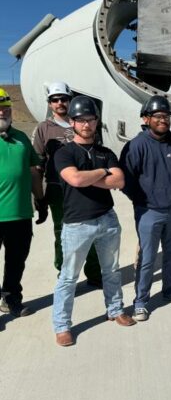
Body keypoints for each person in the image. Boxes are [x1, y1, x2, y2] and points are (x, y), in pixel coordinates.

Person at [52, 96, 135, 347]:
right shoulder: (64, 152)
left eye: (90, 119)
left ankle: (115, 309)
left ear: (97, 121)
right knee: (68, 277)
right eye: (80, 120)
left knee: (111, 270)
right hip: (77, 224)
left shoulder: (106, 152)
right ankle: (62, 326)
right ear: (72, 122)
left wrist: (91, 176)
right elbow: (75, 179)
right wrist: (101, 172)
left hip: (107, 219)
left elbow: (119, 181)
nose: (86, 124)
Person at [120, 95, 171, 322]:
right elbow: (126, 178)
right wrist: (142, 201)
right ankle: (141, 301)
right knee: (148, 258)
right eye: (158, 116)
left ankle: (170, 290)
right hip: (148, 211)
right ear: (146, 118)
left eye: (166, 116)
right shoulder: (137, 145)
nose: (164, 120)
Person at [32, 81, 102, 287]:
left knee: (91, 232)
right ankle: (64, 274)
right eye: (55, 100)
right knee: (62, 235)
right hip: (58, 191)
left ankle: (94, 274)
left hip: (86, 189)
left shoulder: (84, 125)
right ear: (50, 103)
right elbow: (37, 164)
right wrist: (40, 197)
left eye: (64, 98)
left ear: (70, 100)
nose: (60, 103)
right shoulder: (44, 128)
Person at [0, 88, 48, 317]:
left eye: (5, 108)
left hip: (20, 214)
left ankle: (11, 299)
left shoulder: (20, 138)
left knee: (16, 261)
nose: (2, 112)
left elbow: (34, 171)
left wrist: (40, 200)